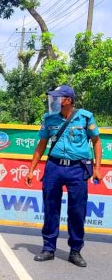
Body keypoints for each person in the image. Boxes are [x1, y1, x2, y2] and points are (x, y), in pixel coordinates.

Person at [25, 85, 102, 267]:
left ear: (67, 100)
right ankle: (48, 248)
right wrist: (31, 169)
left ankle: (75, 250)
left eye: (56, 98)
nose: (53, 101)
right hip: (54, 166)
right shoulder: (49, 118)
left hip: (78, 168)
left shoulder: (85, 117)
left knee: (77, 210)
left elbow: (97, 142)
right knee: (51, 207)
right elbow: (41, 144)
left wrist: (97, 168)